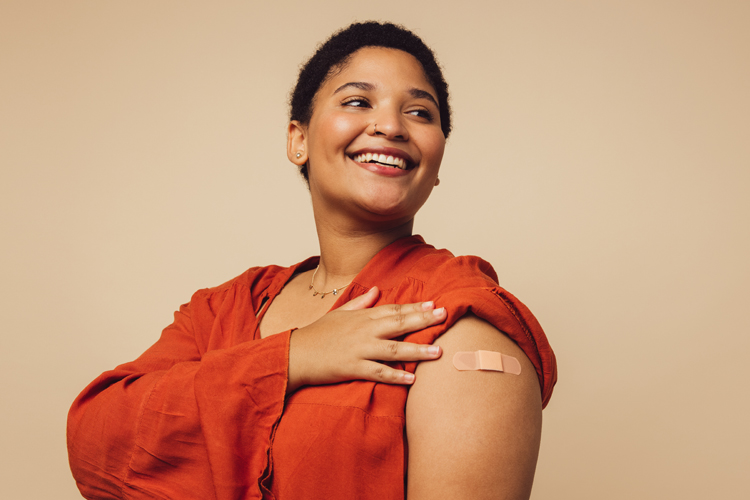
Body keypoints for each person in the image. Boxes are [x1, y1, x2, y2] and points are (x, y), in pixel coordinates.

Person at [67, 21, 557, 500]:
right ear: (297, 141)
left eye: (420, 113)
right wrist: (292, 357)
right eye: (358, 101)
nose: (390, 126)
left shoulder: (458, 323)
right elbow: (95, 439)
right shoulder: (223, 310)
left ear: (436, 160)